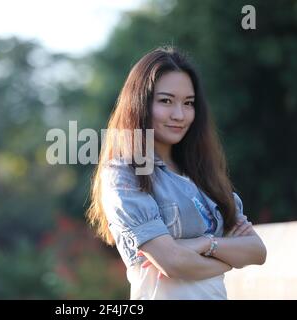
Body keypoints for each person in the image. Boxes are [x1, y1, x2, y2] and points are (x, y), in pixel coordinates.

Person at [86, 46, 267, 300]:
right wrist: (227, 259)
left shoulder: (205, 176)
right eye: (166, 101)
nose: (179, 115)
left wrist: (205, 244)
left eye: (188, 103)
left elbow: (257, 252)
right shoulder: (125, 174)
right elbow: (172, 263)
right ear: (140, 103)